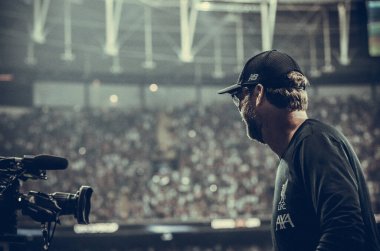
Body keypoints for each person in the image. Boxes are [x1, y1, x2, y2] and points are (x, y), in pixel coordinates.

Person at [217, 50, 380, 251]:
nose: (240, 108)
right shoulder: (294, 153)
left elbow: (345, 232)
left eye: (239, 97)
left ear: (258, 94)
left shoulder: (315, 142)